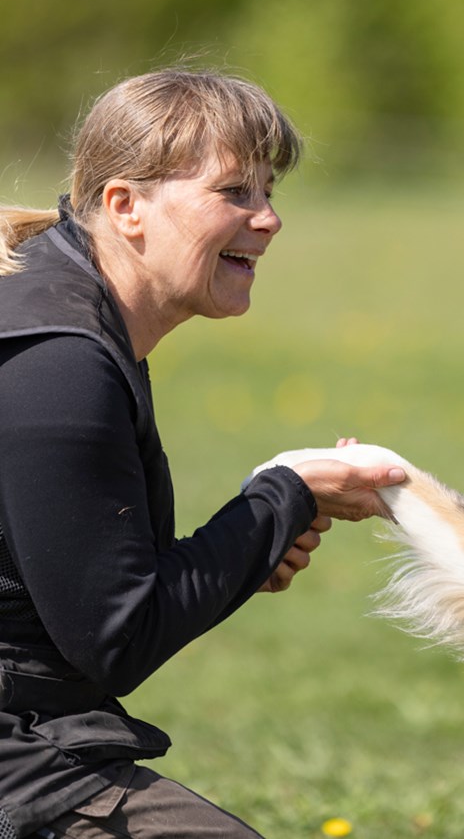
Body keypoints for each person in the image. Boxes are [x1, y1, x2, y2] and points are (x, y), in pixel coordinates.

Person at [0, 68, 406, 839]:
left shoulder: (64, 313)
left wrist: (260, 534)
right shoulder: (59, 363)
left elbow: (94, 592)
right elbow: (119, 636)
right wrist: (279, 497)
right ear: (127, 207)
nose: (269, 219)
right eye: (235, 193)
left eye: (270, 191)